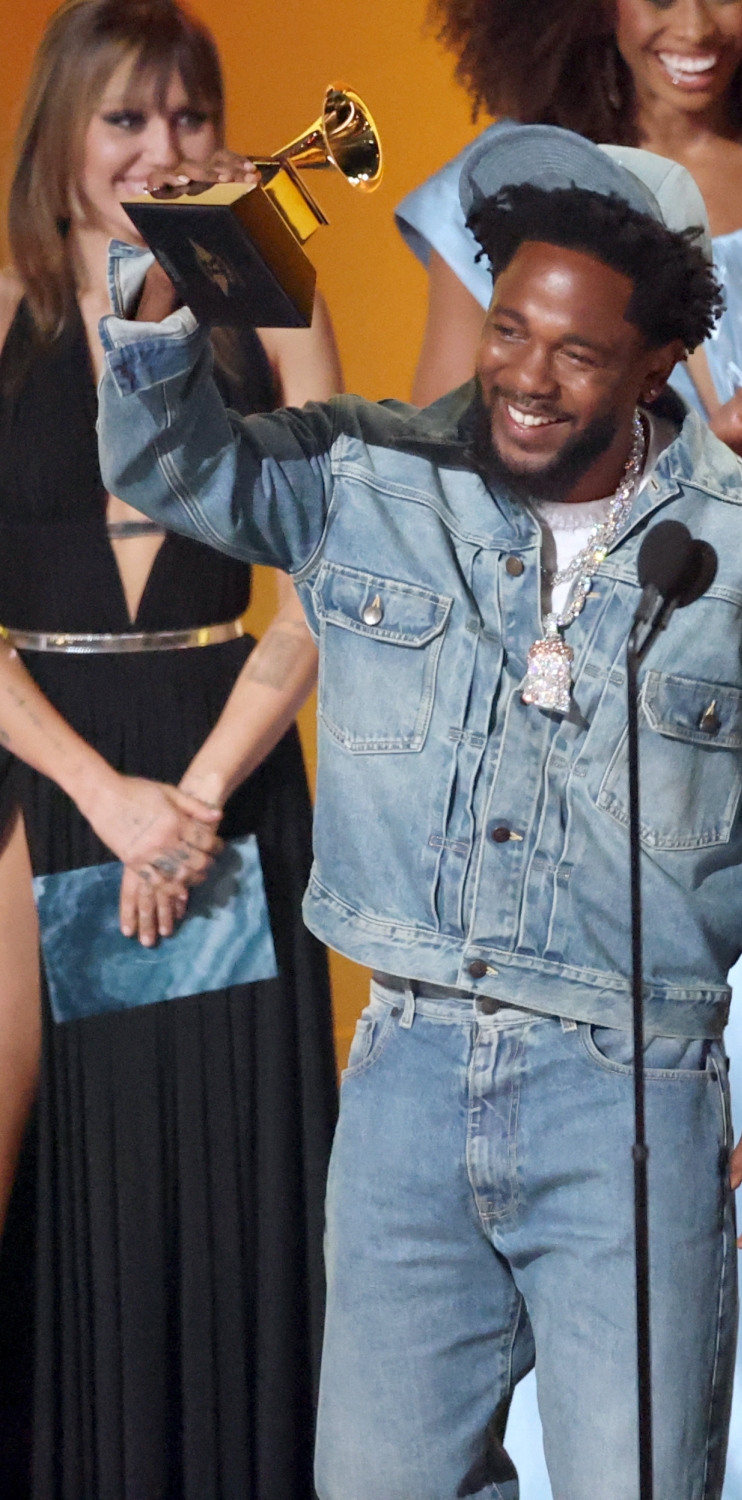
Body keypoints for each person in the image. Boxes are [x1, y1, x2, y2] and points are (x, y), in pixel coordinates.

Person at [98, 123, 742, 1500]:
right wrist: (168, 292)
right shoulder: (372, 480)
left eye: (578, 352)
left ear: (657, 362)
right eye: (510, 328)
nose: (527, 378)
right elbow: (172, 470)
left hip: (633, 1102)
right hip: (407, 1072)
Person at [395, 4, 742, 1497]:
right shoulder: (509, 190)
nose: (692, 20)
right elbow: (445, 463)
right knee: (587, 1113)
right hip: (589, 724)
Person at [0, 1, 340, 1494]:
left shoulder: (272, 289)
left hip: (232, 777)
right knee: (63, 1189)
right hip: (39, 778)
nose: (163, 149)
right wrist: (101, 793)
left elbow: (345, 571)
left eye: (190, 117)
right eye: (126, 120)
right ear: (63, 135)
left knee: (230, 1202)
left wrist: (197, 800)